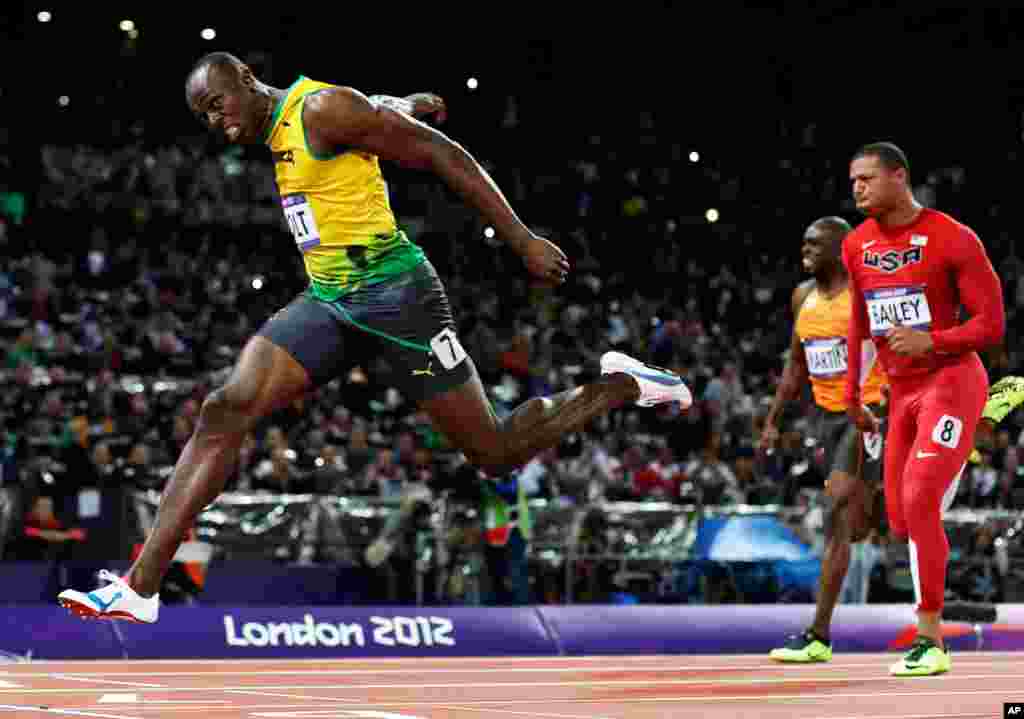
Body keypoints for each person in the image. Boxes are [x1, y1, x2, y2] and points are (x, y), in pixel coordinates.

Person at [58, 53, 691, 622]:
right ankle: (141, 588)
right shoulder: (292, 122)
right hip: (331, 301)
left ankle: (622, 385)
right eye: (203, 117)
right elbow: (380, 115)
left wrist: (520, 238)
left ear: (247, 81)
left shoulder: (322, 109)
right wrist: (408, 104)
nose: (216, 124)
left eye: (218, 105)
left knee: (496, 452)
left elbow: (444, 155)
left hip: (398, 298)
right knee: (225, 409)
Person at [843, 142, 1005, 676]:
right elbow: (859, 327)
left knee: (920, 496)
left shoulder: (953, 237)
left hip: (951, 377)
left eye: (867, 178)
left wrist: (932, 340)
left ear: (899, 176)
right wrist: (853, 396)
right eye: (852, 181)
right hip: (901, 393)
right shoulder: (855, 245)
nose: (857, 188)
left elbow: (991, 324)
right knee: (898, 520)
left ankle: (930, 637)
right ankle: (988, 417)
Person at [763, 216, 888, 664]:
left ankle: (818, 633)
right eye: (804, 241)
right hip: (828, 418)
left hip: (870, 413)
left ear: (842, 248)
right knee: (845, 522)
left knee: (835, 504)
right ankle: (884, 508)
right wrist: (773, 419)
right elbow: (796, 366)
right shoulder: (802, 297)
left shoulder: (867, 295)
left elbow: (896, 351)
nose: (805, 248)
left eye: (815, 243)